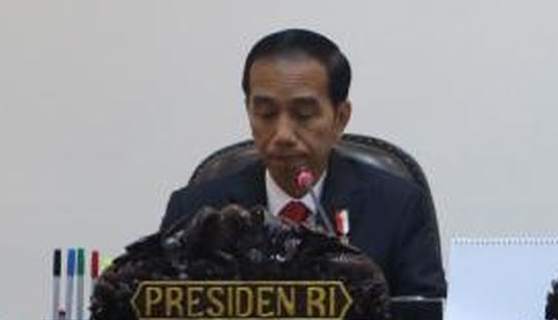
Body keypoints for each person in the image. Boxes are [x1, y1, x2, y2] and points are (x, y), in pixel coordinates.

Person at [161, 28, 446, 297]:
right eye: (266, 113)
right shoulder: (195, 210)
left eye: (304, 114)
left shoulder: (397, 207)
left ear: (340, 118)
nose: (283, 135)